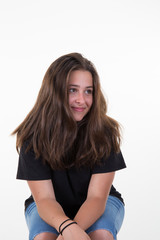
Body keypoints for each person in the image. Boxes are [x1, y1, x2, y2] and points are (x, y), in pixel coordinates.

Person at [13, 52, 126, 240]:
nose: (81, 100)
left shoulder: (105, 132)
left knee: (100, 234)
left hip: (100, 201)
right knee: (43, 237)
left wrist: (72, 232)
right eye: (72, 90)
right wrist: (66, 226)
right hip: (47, 204)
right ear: (55, 91)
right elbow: (45, 199)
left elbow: (97, 198)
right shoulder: (31, 136)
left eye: (88, 91)